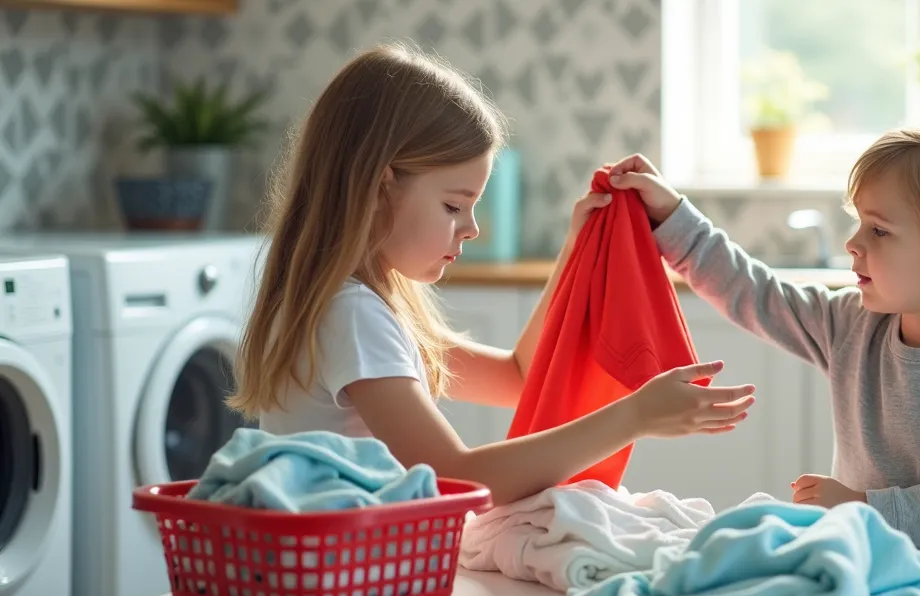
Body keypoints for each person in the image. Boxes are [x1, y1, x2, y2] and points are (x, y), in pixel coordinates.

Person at [228, 43, 756, 506]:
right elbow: (456, 479)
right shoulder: (353, 315)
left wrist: (575, 249)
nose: (472, 228)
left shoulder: (358, 304)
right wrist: (633, 418)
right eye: (455, 206)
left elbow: (517, 379)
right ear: (379, 186)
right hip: (340, 580)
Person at [602, 115, 920, 552]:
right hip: (873, 564)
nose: (853, 242)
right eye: (860, 221)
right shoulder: (852, 324)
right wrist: (671, 215)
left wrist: (864, 507)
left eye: (879, 230)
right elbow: (755, 292)